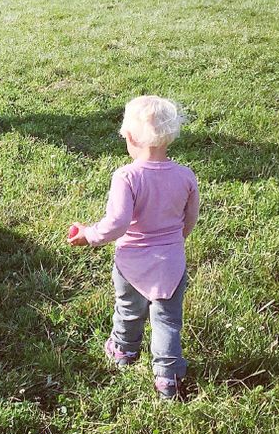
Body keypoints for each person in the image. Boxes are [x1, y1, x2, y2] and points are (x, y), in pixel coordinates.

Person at [67, 96, 199, 400]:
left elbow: (117, 223)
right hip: (171, 265)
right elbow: (189, 220)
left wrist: (89, 235)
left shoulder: (127, 176)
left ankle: (124, 350)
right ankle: (168, 377)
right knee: (166, 320)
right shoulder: (185, 176)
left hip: (131, 264)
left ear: (129, 136)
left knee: (128, 310)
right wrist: (176, 242)